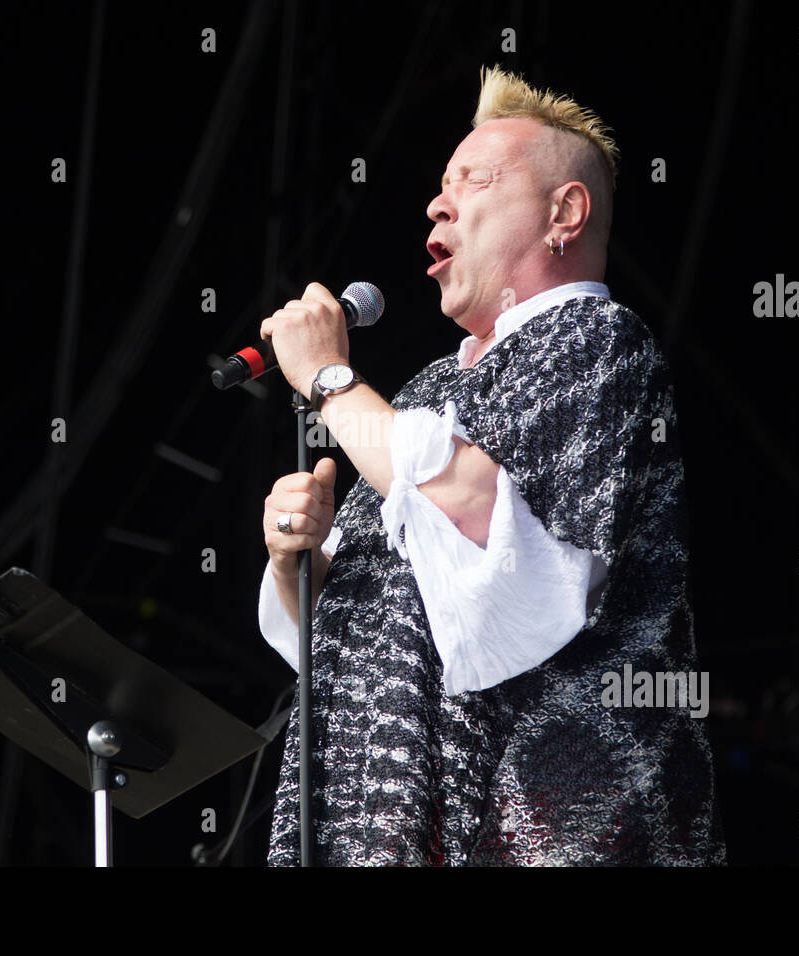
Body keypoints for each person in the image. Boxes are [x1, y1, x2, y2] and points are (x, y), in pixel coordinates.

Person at [255, 65, 726, 865]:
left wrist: (332, 380)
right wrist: (297, 561)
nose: (439, 203)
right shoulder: (428, 391)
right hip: (385, 817)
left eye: (473, 180)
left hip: (555, 816)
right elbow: (377, 619)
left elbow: (488, 524)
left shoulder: (596, 342)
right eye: (441, 185)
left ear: (564, 214)